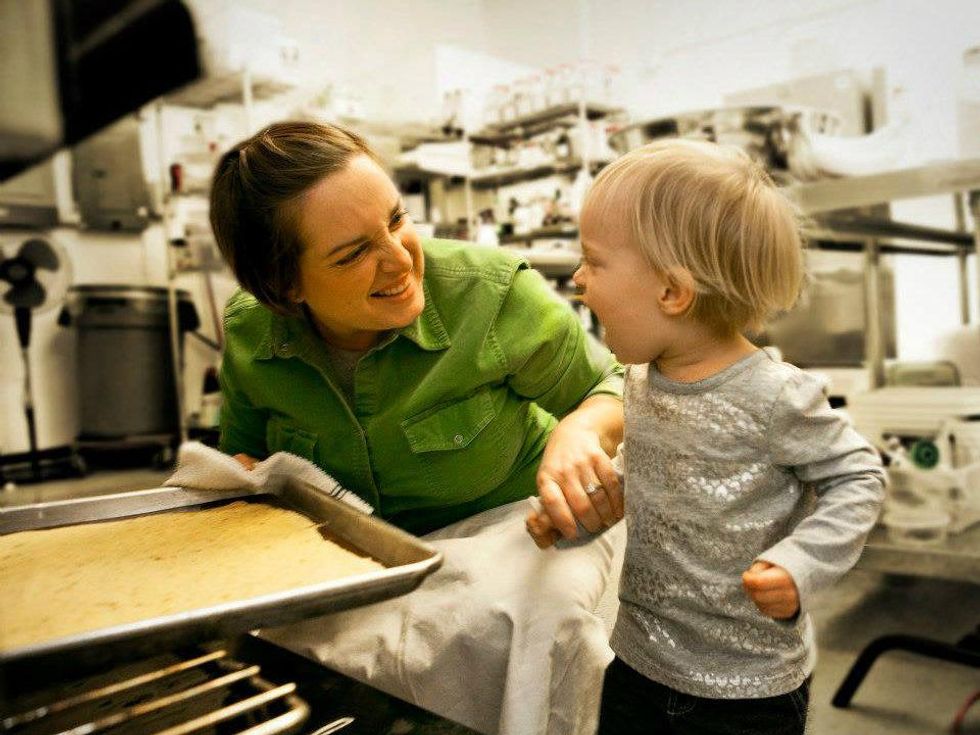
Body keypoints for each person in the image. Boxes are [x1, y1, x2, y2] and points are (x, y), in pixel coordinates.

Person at [208, 120, 627, 734]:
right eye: (353, 254)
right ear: (284, 285)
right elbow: (240, 460)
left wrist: (582, 430)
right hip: (356, 557)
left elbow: (612, 387)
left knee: (546, 624)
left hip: (512, 534)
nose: (400, 259)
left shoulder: (492, 297)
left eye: (398, 221)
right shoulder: (251, 334)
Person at [527, 139, 886, 735]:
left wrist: (800, 563)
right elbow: (664, 487)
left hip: (747, 696)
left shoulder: (775, 396)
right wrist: (582, 517)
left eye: (593, 261)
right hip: (639, 663)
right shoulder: (642, 383)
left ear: (672, 292)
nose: (579, 280)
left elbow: (859, 476)